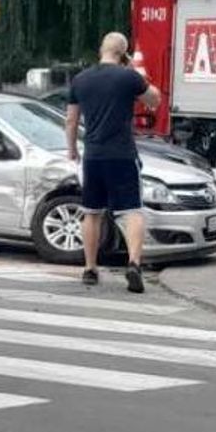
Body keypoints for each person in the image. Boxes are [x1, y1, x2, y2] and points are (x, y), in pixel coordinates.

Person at [65, 32, 161, 293]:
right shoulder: (128, 77)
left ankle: (89, 268)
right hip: (122, 155)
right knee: (132, 210)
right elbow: (155, 99)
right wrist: (134, 72)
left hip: (93, 155)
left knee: (91, 212)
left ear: (101, 49)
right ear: (123, 53)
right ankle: (134, 263)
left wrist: (72, 149)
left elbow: (71, 121)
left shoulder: (80, 80)